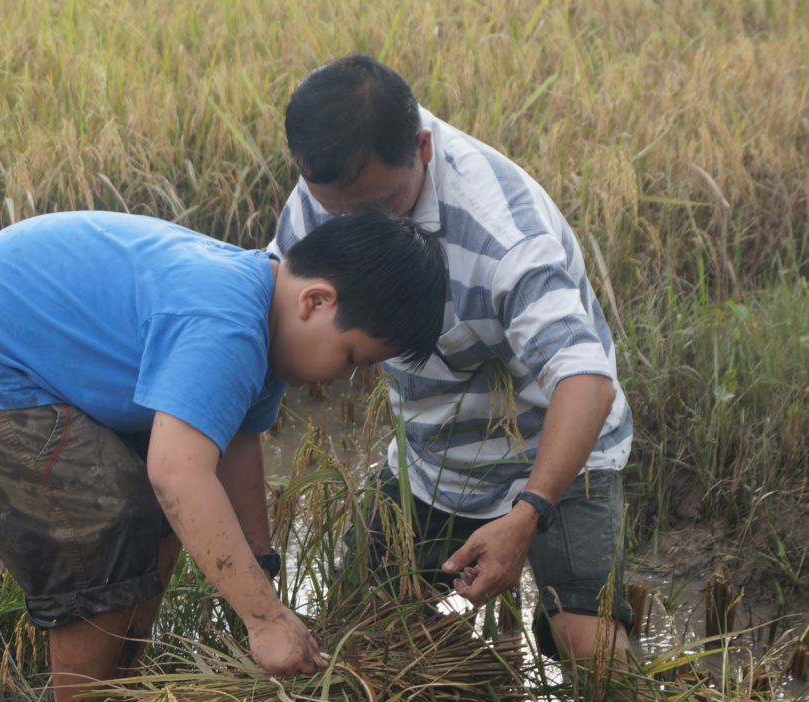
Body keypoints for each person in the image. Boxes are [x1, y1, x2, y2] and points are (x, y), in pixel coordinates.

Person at [0, 210, 447, 702]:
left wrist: (262, 578)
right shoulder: (228, 324)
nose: (347, 377)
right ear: (316, 302)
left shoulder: (266, 323)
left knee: (162, 519)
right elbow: (176, 474)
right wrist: (264, 620)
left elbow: (235, 447)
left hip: (21, 349)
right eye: (353, 356)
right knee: (104, 522)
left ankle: (119, 691)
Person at [269, 56, 635, 669]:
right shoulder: (327, 197)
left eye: (384, 204)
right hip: (430, 456)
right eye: (340, 213)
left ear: (422, 147)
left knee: (583, 640)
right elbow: (277, 307)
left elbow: (586, 382)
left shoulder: (502, 235)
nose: (359, 229)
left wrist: (527, 515)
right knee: (356, 627)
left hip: (559, 448)